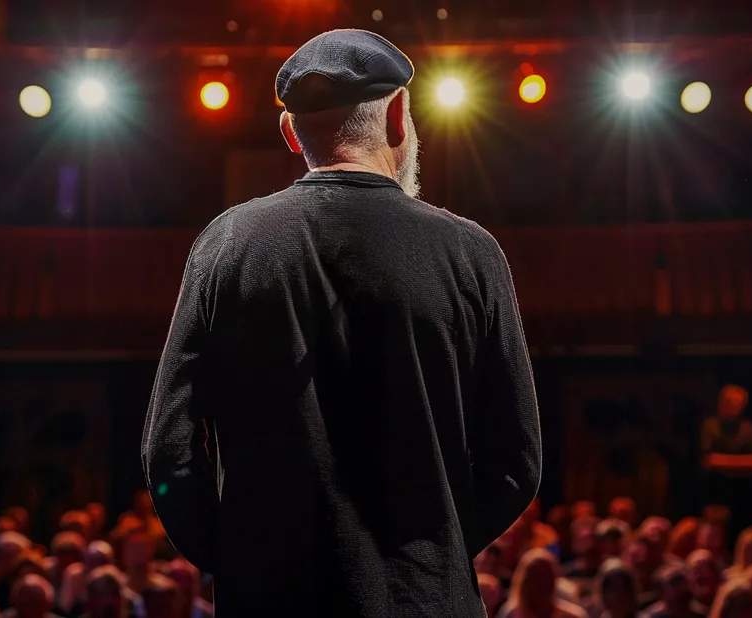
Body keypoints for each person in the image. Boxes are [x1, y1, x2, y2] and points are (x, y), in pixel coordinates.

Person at [141, 28, 542, 616]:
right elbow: (517, 462)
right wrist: (430, 555)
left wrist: (244, 559)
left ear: (290, 134)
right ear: (400, 115)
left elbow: (168, 451)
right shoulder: (470, 253)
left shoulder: (227, 244)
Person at [700, 385, 752, 537]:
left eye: (739, 403)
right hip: (715, 494)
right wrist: (741, 464)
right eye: (732, 403)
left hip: (742, 497)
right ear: (721, 403)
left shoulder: (747, 428)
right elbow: (709, 461)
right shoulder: (710, 425)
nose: (736, 407)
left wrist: (724, 462)